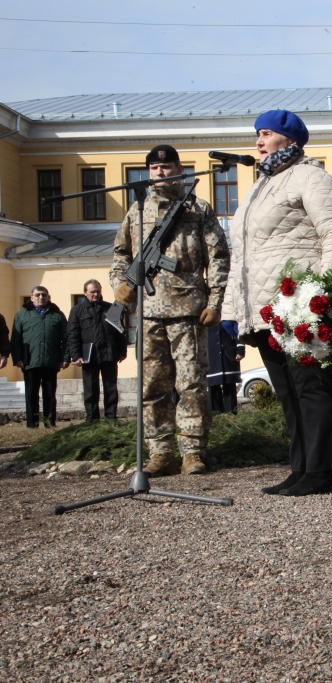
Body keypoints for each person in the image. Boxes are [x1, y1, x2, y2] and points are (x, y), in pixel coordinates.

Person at [222, 109, 332, 497]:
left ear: (290, 140)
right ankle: (301, 468)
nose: (258, 142)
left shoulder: (311, 177)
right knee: (287, 390)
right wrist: (232, 311)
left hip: (299, 302)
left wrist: (323, 293)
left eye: (265, 134)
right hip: (263, 308)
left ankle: (321, 471)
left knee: (311, 387)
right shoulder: (259, 187)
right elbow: (241, 257)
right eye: (257, 135)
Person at [110, 144, 230, 476]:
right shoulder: (137, 210)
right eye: (154, 169)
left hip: (188, 311)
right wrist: (120, 284)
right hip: (148, 313)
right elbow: (121, 254)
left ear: (179, 169)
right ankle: (160, 452)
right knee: (151, 387)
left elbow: (219, 257)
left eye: (167, 167)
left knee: (191, 385)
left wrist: (215, 301)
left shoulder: (197, 208)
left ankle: (193, 451)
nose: (160, 173)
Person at [67, 279, 128, 421]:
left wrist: (122, 351)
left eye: (98, 291)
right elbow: (73, 335)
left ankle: (111, 417)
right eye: (92, 292)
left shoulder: (111, 308)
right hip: (89, 356)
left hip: (109, 354)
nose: (95, 294)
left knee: (111, 388)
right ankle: (92, 418)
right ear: (85, 293)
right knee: (90, 390)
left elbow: (120, 331)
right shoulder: (77, 311)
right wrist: (76, 355)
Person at [10, 286, 70, 428]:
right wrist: (17, 358)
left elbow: (66, 338)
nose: (40, 297)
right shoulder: (21, 315)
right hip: (30, 362)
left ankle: (49, 423)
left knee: (49, 396)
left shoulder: (57, 315)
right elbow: (15, 339)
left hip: (51, 360)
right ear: (31, 298)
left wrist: (66, 357)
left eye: (44, 295)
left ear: (48, 297)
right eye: (37, 295)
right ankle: (32, 424)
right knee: (31, 395)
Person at [207, 320, 243, 414]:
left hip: (228, 356)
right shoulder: (204, 316)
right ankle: (216, 415)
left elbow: (238, 331)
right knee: (213, 385)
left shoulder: (228, 314)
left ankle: (231, 414)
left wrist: (240, 349)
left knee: (229, 385)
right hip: (210, 357)